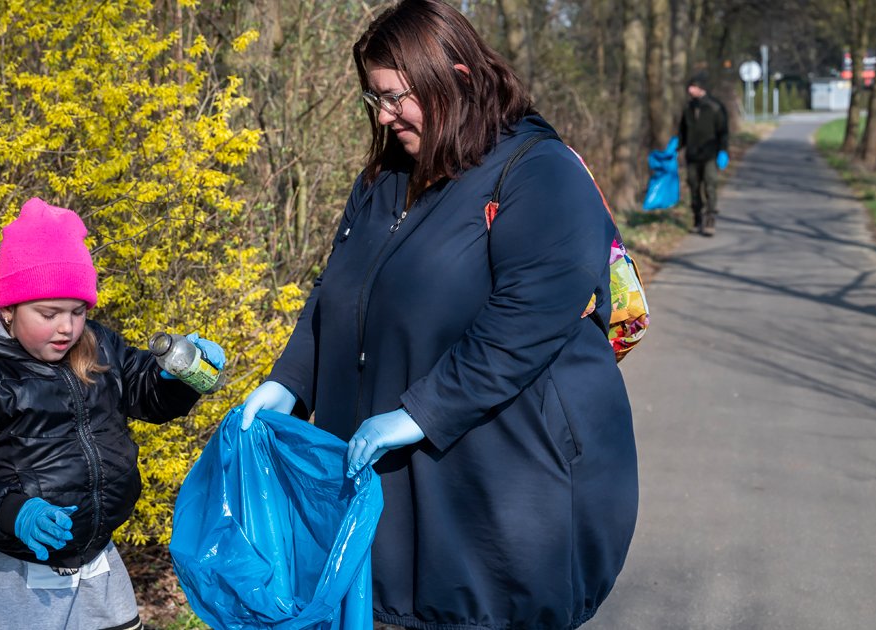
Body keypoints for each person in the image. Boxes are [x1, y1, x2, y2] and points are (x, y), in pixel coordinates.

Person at [238, 1, 638, 628]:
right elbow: (338, 291)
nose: (386, 116)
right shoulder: (384, 180)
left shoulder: (538, 173)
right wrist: (290, 380)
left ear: (455, 75)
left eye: (397, 97)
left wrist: (422, 413)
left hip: (498, 499)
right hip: (389, 502)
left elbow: (525, 320)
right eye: (375, 100)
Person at [0, 198, 225, 630]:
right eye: (48, 314)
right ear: (8, 309)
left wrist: (179, 379)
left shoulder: (96, 345)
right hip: (10, 575)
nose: (66, 327)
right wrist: (10, 510)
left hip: (97, 562)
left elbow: (145, 393)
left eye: (77, 312)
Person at [677, 72, 729, 236]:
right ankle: (697, 218)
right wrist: (677, 147)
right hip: (692, 155)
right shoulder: (688, 108)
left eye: (692, 87)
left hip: (710, 155)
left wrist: (723, 151)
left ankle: (710, 219)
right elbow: (683, 131)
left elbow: (723, 131)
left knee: (710, 185)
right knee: (694, 187)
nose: (689, 90)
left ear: (700, 88)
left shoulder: (715, 107)